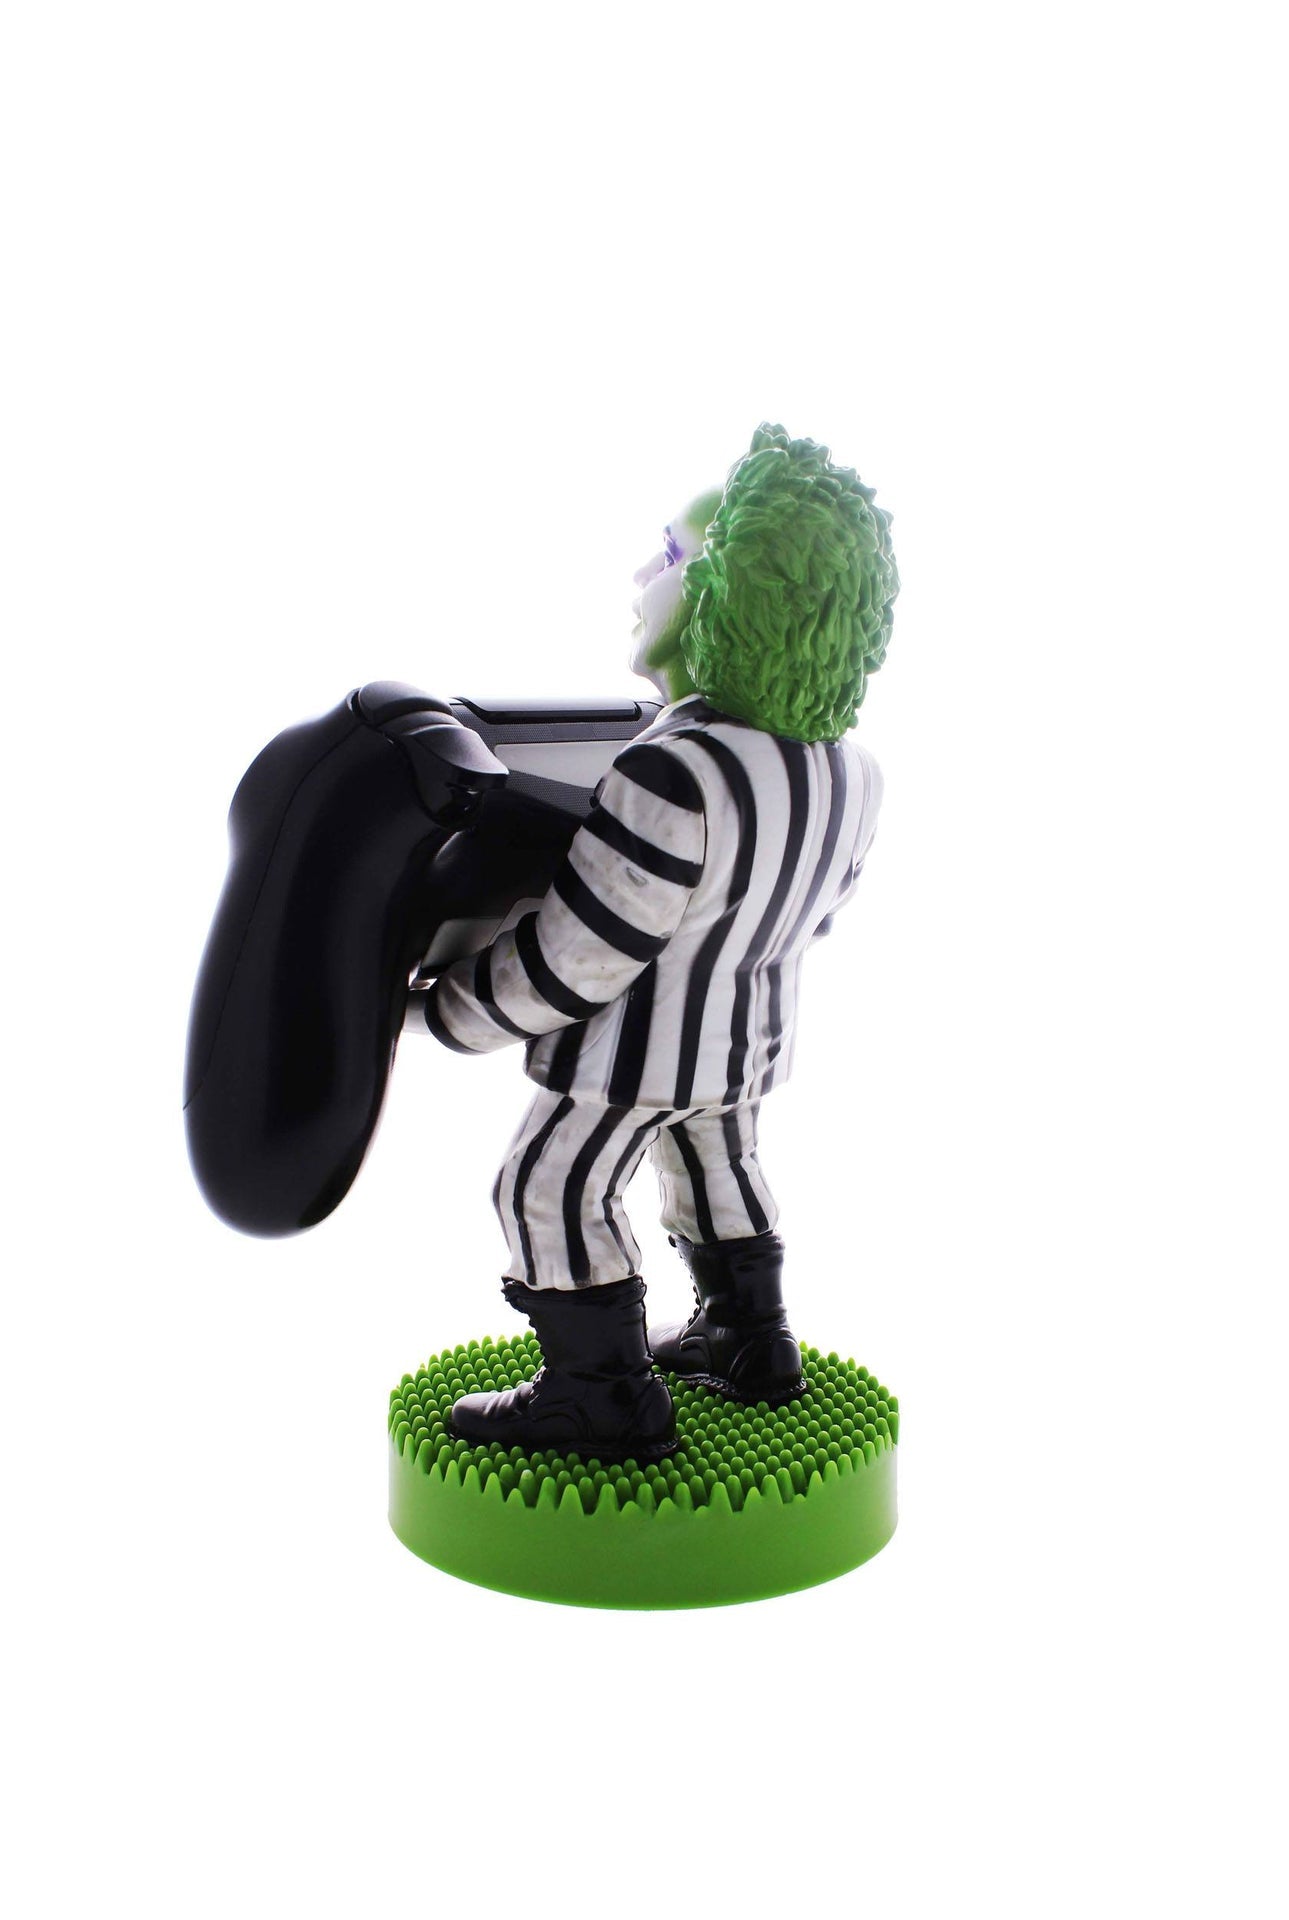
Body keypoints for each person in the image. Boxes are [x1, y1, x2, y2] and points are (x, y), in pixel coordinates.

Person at [422, 424, 899, 1461]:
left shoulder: (671, 769)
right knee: (718, 1164)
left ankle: (596, 1395)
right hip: (745, 1047)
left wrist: (448, 1009)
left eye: (672, 556)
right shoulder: (849, 772)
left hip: (629, 1058)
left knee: (546, 1185)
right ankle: (750, 1340)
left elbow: (579, 958)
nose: (644, 576)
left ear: (732, 590)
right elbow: (815, 917)